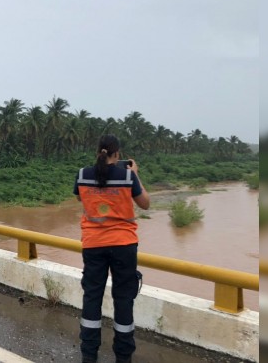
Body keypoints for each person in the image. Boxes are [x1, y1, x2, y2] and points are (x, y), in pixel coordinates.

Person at [74, 134, 150, 363]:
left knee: (92, 297)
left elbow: (81, 199)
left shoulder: (82, 174)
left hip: (93, 245)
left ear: (98, 151)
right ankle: (123, 357)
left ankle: (89, 356)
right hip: (124, 245)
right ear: (117, 154)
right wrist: (135, 174)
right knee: (123, 299)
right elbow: (145, 203)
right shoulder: (128, 175)